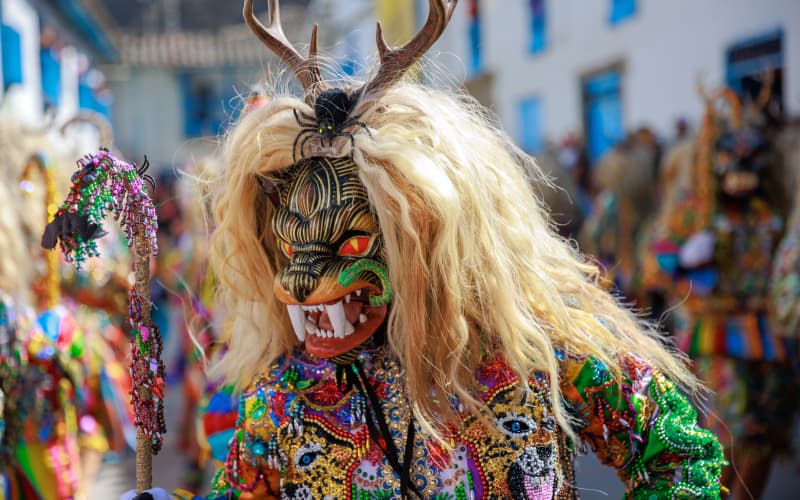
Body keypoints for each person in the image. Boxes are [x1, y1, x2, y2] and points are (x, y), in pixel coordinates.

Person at [127, 1, 724, 498]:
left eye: (353, 242)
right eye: (291, 251)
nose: (300, 283)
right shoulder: (283, 402)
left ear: (431, 237)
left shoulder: (540, 355)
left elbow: (678, 457)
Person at [645, 81, 793, 498]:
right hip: (719, 337)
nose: (743, 178)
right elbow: (655, 261)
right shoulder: (697, 207)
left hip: (771, 340)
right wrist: (686, 257)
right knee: (729, 433)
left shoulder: (773, 209)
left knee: (764, 437)